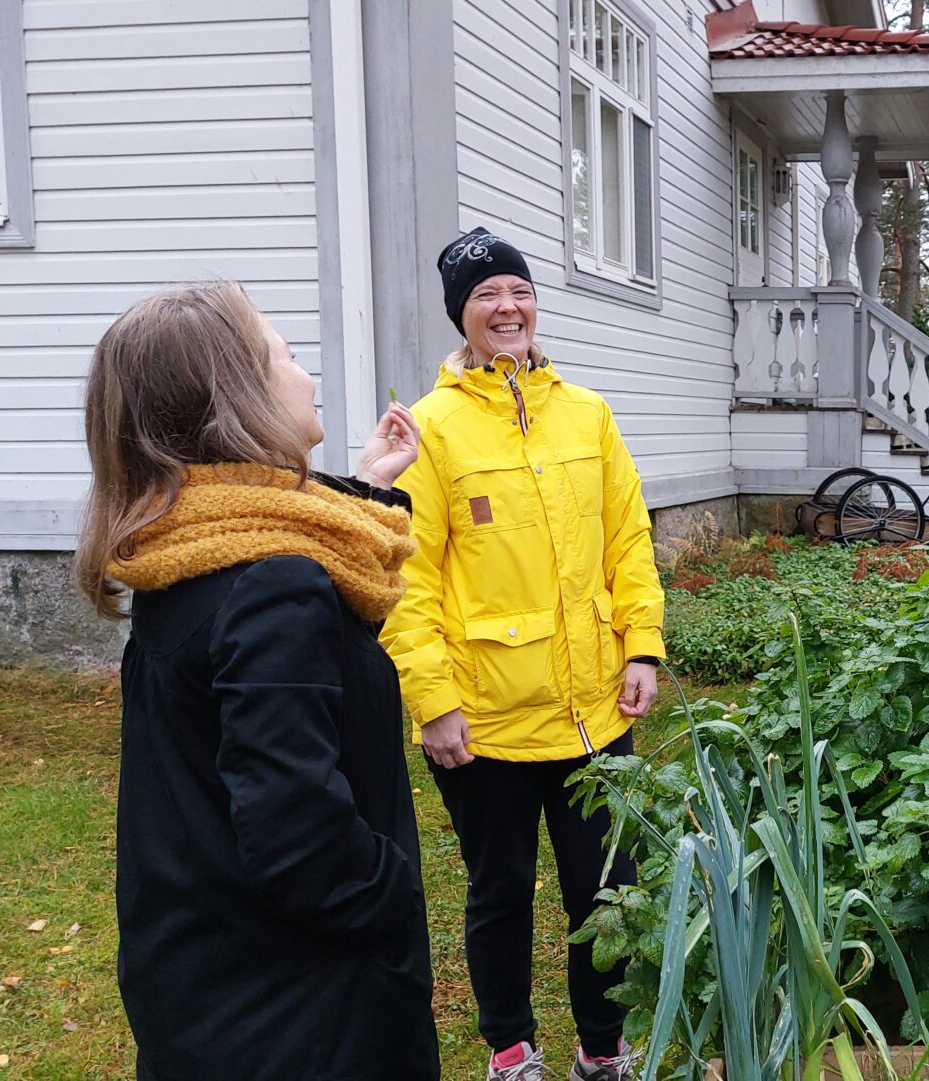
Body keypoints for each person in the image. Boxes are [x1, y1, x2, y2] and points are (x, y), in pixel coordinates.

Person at [77, 282, 437, 1081]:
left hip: (210, 991)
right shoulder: (272, 581)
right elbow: (300, 834)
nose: (308, 376)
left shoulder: (188, 551)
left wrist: (368, 489)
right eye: (287, 354)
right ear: (237, 397)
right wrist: (390, 896)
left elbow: (312, 674)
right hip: (306, 1017)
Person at [380, 227, 665, 1081]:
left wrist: (642, 646)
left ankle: (601, 1051)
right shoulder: (426, 431)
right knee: (499, 895)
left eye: (519, 291)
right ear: (461, 316)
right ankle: (510, 1049)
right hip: (486, 721)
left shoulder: (589, 413)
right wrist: (432, 698)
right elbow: (407, 579)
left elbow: (630, 541)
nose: (507, 308)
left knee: (604, 896)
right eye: (485, 296)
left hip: (594, 709)